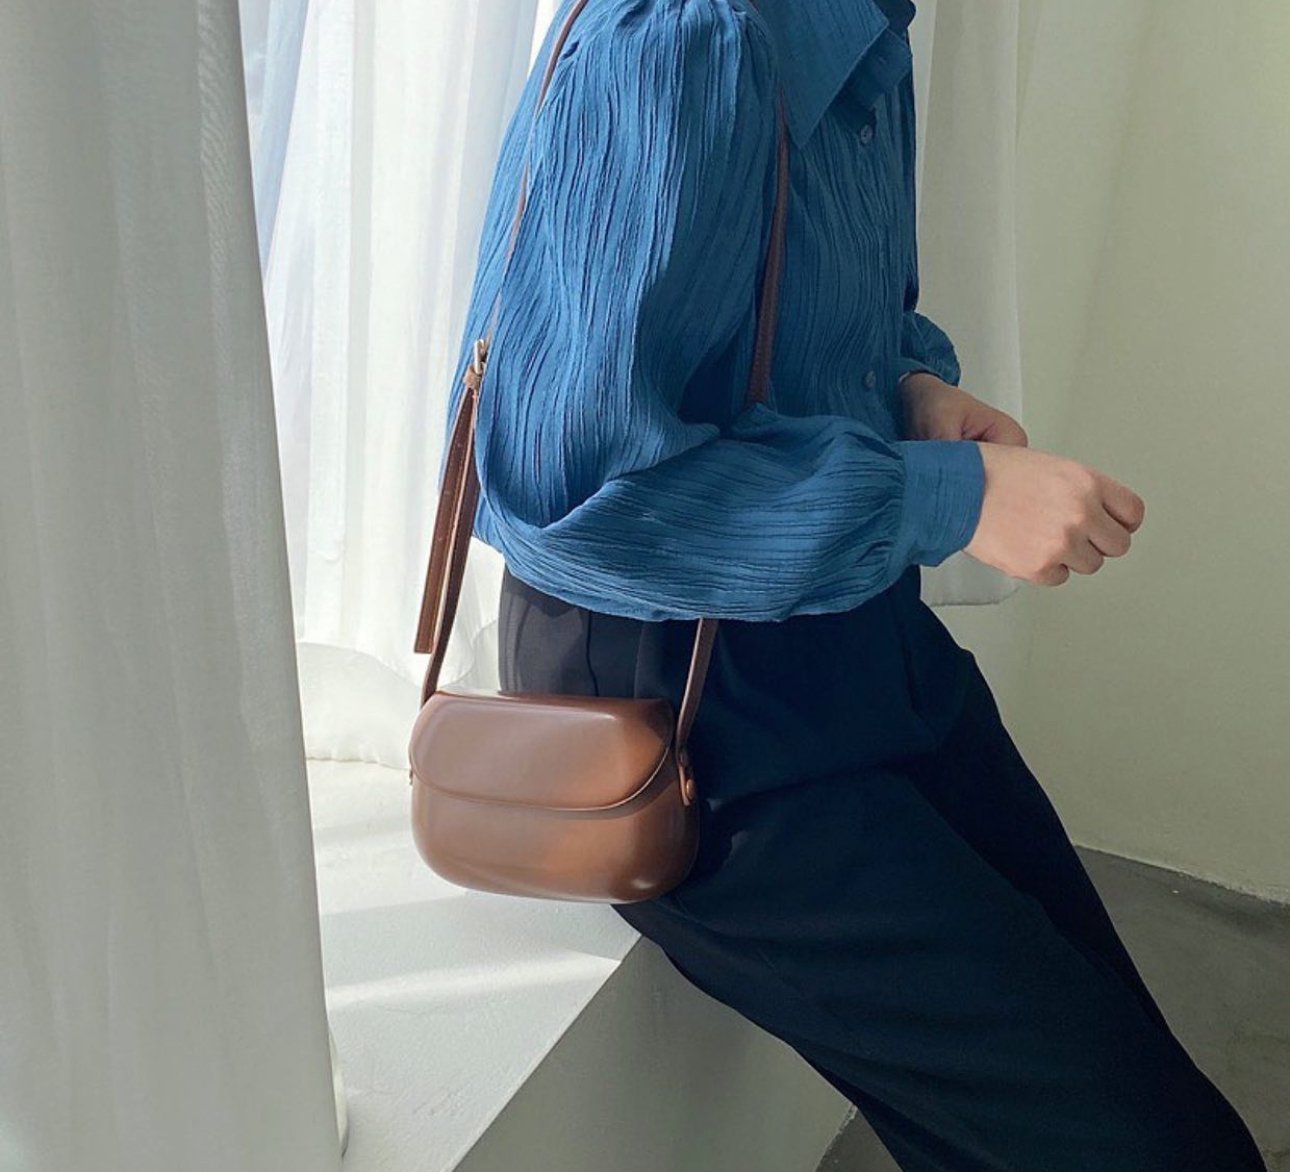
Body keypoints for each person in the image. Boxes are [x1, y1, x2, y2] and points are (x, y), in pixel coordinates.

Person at [444, 0, 1268, 1166]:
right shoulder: (680, 39)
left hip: (855, 636)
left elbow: (820, 323)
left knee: (1118, 1073)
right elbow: (570, 493)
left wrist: (915, 392)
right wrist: (951, 499)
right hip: (686, 708)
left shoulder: (858, 27)